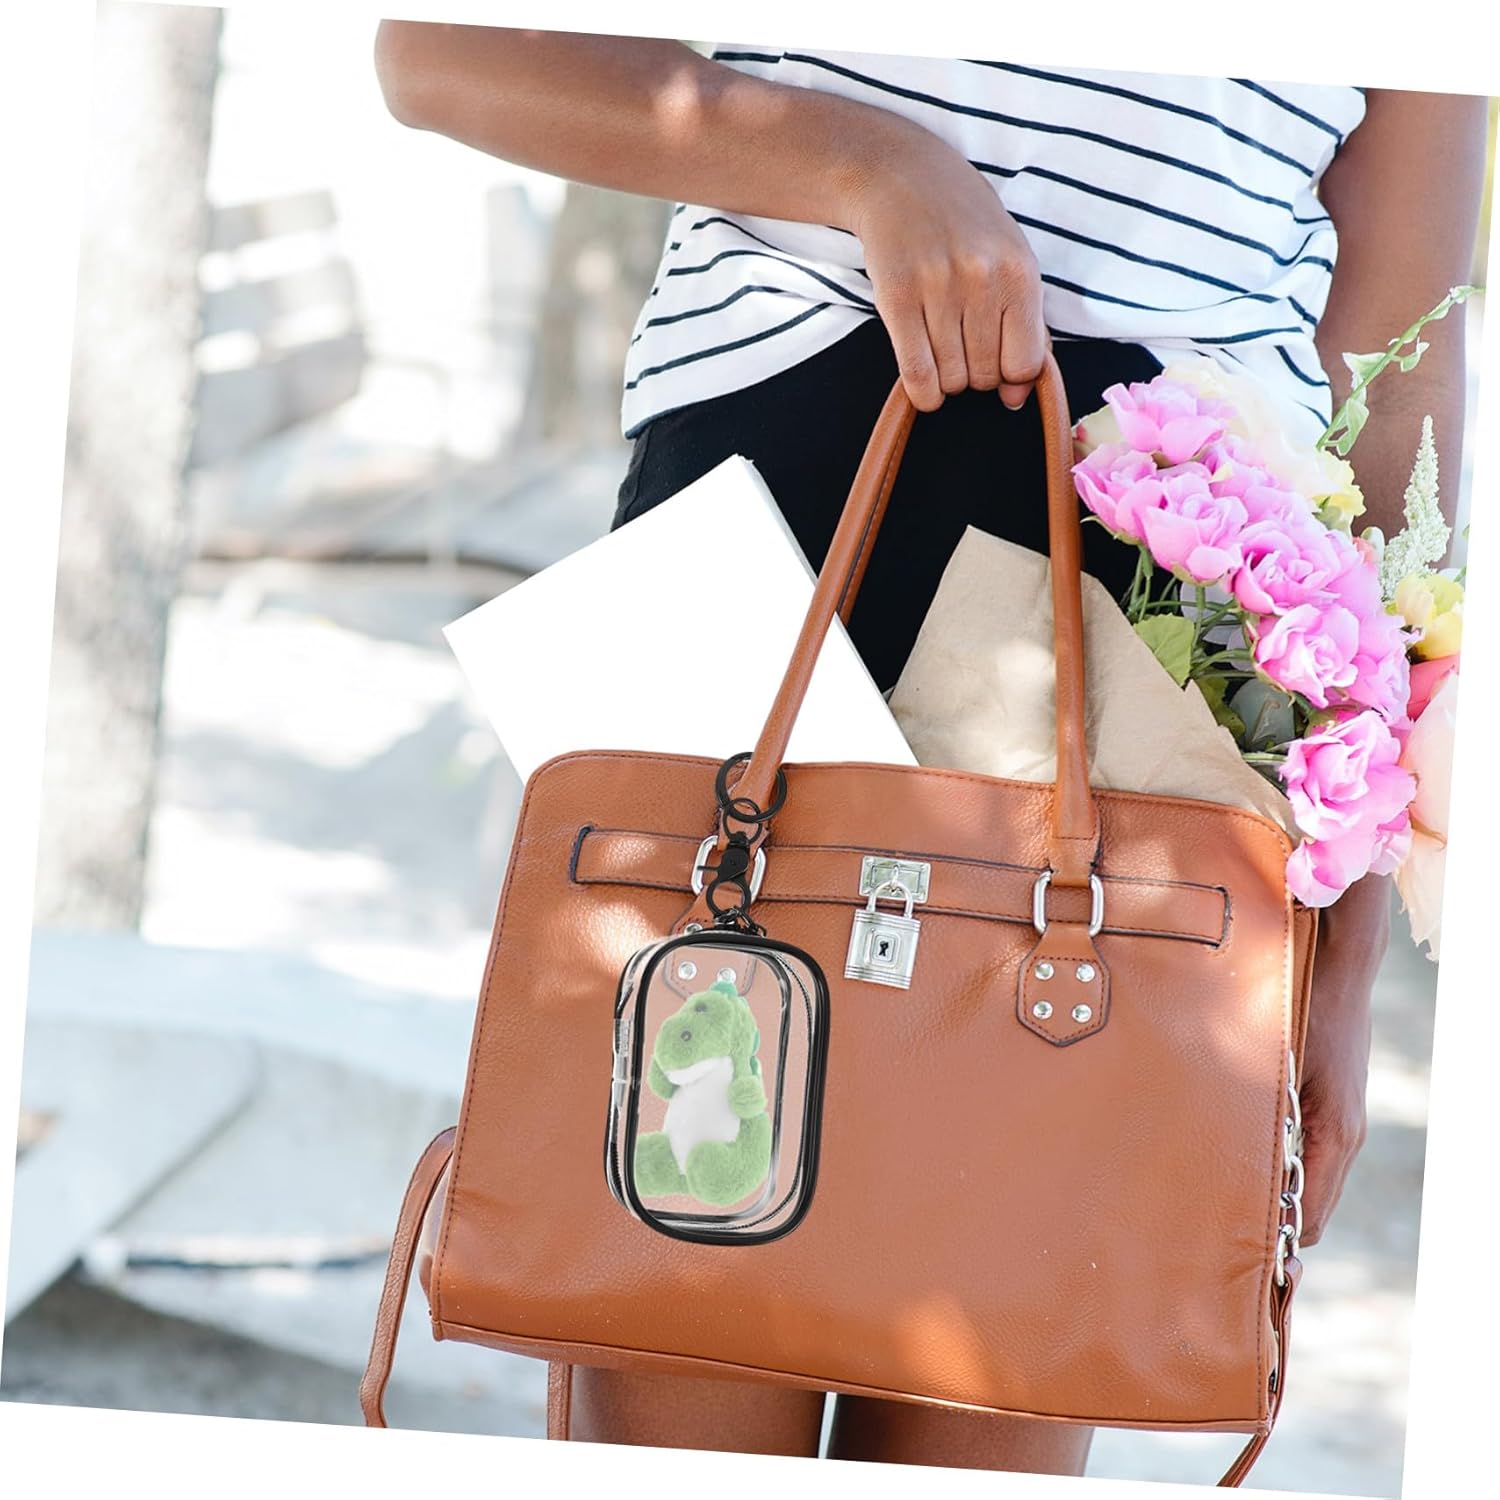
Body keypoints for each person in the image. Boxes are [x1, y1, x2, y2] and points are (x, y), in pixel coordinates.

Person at [373, 26, 1487, 1476]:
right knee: (675, 1352)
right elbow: (441, 53)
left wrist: (1345, 950)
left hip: (1170, 620)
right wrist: (857, 161)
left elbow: (1401, 365)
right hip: (764, 544)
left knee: (997, 1385)